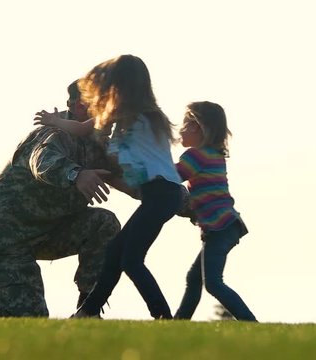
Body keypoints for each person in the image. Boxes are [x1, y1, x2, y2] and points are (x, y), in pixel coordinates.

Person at [0, 80, 129, 317]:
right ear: (79, 107)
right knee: (29, 318)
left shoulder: (99, 146)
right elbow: (41, 161)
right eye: (103, 104)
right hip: (5, 236)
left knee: (104, 223)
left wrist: (179, 198)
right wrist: (76, 175)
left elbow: (135, 184)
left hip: (49, 231)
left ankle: (88, 309)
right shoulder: (55, 134)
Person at [35, 55, 184, 319]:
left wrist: (55, 122)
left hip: (160, 194)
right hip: (163, 195)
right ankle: (88, 312)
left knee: (130, 259)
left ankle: (163, 316)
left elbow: (83, 129)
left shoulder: (127, 114)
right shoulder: (150, 116)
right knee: (117, 251)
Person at [173, 101, 257, 322]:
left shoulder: (196, 156)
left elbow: (173, 175)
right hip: (225, 226)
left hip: (220, 227)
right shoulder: (211, 154)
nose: (180, 130)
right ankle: (179, 322)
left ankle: (250, 322)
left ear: (197, 127)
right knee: (194, 278)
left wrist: (150, 165)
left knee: (213, 283)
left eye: (184, 124)